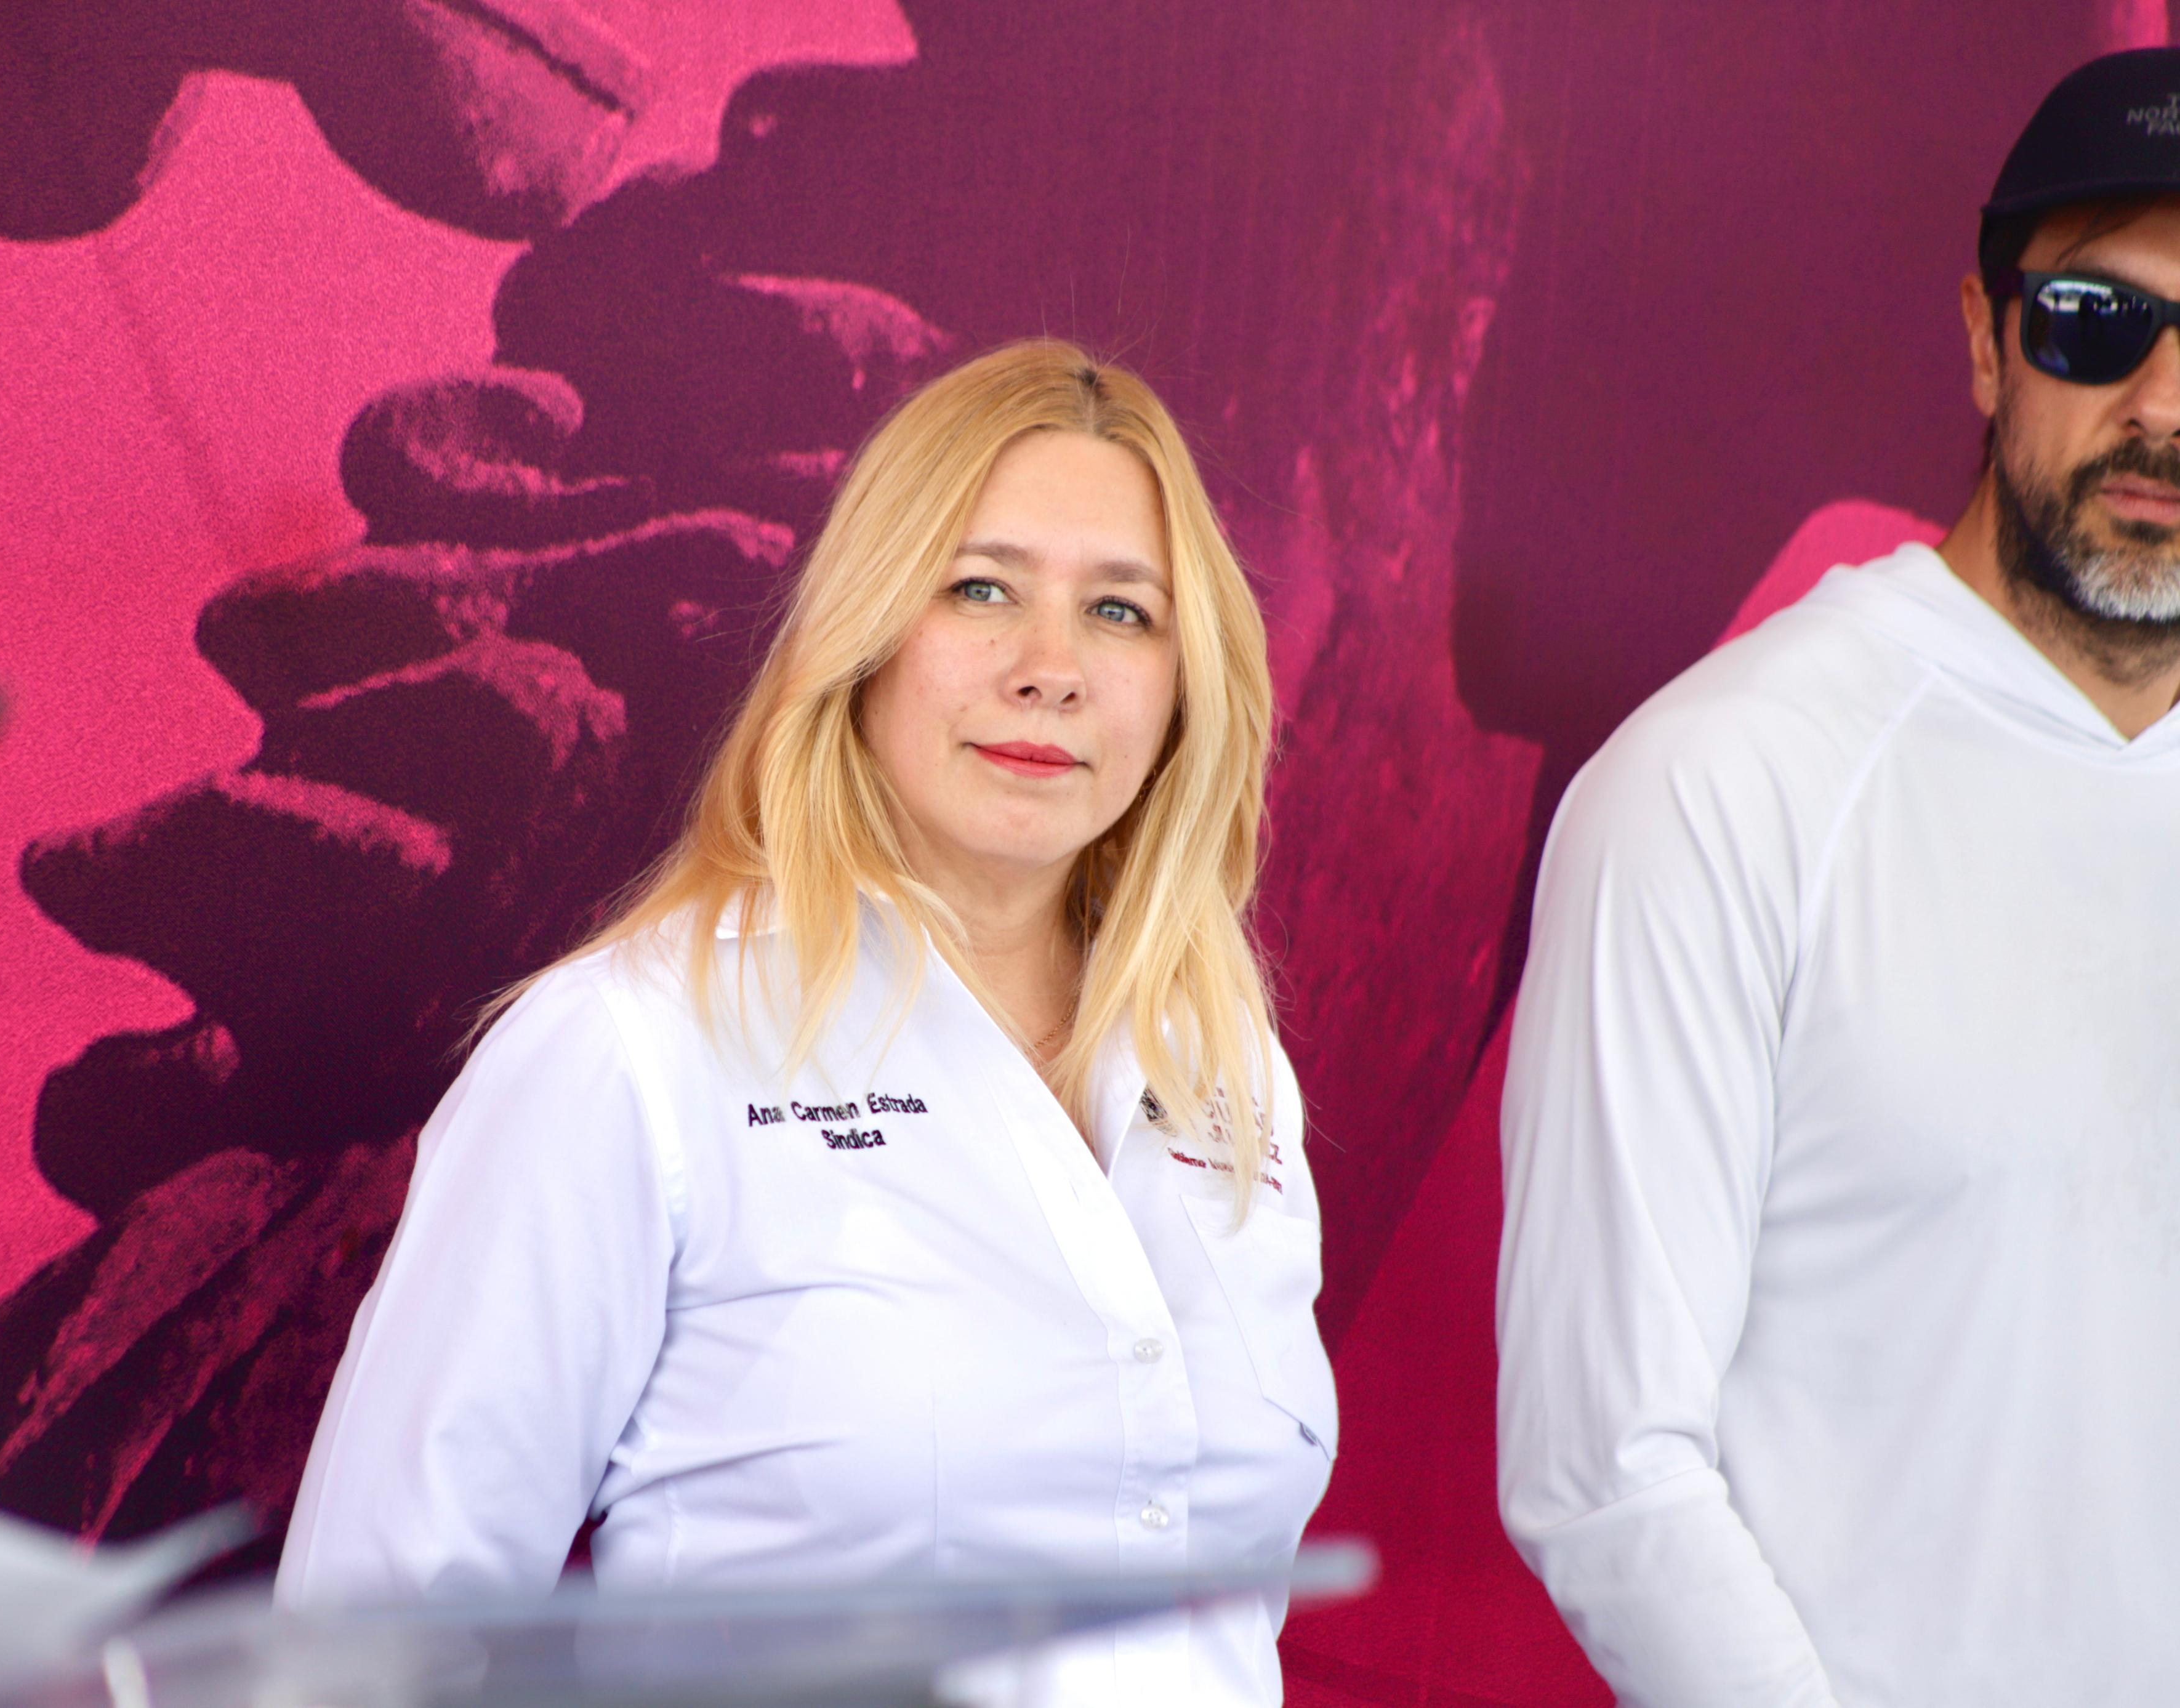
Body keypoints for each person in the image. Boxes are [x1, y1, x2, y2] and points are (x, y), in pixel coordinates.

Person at [278, 339, 1337, 1705]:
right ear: (866, 635)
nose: (1052, 668)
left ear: (1188, 682)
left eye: (1122, 611)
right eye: (980, 588)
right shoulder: (634, 1050)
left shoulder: (1228, 1071)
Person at [1497, 48, 2180, 1708]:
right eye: (2095, 320)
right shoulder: (1722, 786)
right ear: (1984, 341)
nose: (2163, 406)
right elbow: (1604, 1467)